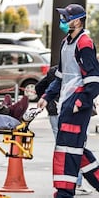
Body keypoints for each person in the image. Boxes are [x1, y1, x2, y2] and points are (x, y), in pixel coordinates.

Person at [37, 4, 99, 198]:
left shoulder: (85, 43)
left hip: (76, 107)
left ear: (78, 21)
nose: (62, 20)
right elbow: (60, 76)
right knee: (73, 149)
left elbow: (94, 80)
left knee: (68, 149)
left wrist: (79, 104)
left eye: (66, 17)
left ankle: (64, 193)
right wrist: (46, 97)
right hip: (66, 104)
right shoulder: (66, 43)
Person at [35, 65, 92, 195]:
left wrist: (46, 99)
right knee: (74, 147)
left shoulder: (55, 71)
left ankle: (69, 183)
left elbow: (40, 86)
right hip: (69, 109)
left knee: (64, 147)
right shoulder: (78, 70)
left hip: (57, 110)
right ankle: (75, 182)